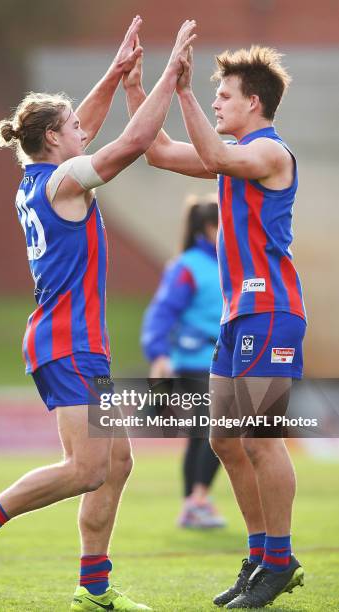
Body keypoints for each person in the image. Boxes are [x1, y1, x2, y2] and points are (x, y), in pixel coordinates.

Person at [0, 17, 197, 612]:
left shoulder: (35, 178)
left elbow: (81, 126)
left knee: (117, 462)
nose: (83, 129)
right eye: (74, 128)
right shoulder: (63, 185)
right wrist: (167, 74)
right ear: (54, 140)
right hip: (68, 342)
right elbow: (133, 142)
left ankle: (94, 588)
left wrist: (114, 72)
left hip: (79, 343)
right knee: (86, 468)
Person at [123, 40, 306, 608]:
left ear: (254, 102)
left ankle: (280, 560)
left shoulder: (270, 153)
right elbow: (157, 150)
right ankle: (260, 558)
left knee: (260, 437)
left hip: (271, 311)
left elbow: (221, 158)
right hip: (237, 316)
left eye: (224, 95)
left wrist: (181, 90)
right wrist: (136, 84)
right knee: (225, 438)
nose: (217, 101)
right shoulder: (232, 149)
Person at [141, 194, 226, 529]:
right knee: (219, 430)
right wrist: (157, 354)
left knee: (203, 433)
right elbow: (161, 313)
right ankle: (198, 500)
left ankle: (194, 503)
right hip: (195, 360)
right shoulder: (187, 266)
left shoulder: (228, 263)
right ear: (209, 227)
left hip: (220, 360)